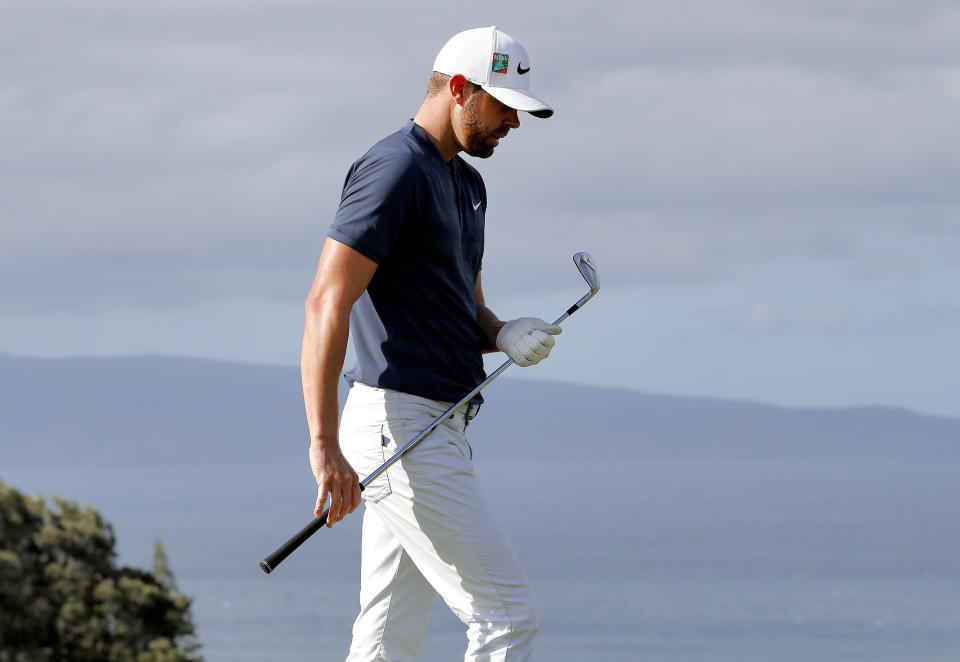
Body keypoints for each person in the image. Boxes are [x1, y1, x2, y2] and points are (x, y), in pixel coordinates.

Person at [301, 26, 558, 662]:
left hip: (438, 424)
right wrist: (324, 445)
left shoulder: (468, 185)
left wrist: (502, 334)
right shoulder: (394, 168)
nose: (513, 125)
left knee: (388, 635)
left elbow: (463, 307)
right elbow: (326, 303)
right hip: (399, 424)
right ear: (462, 91)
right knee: (507, 615)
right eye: (504, 108)